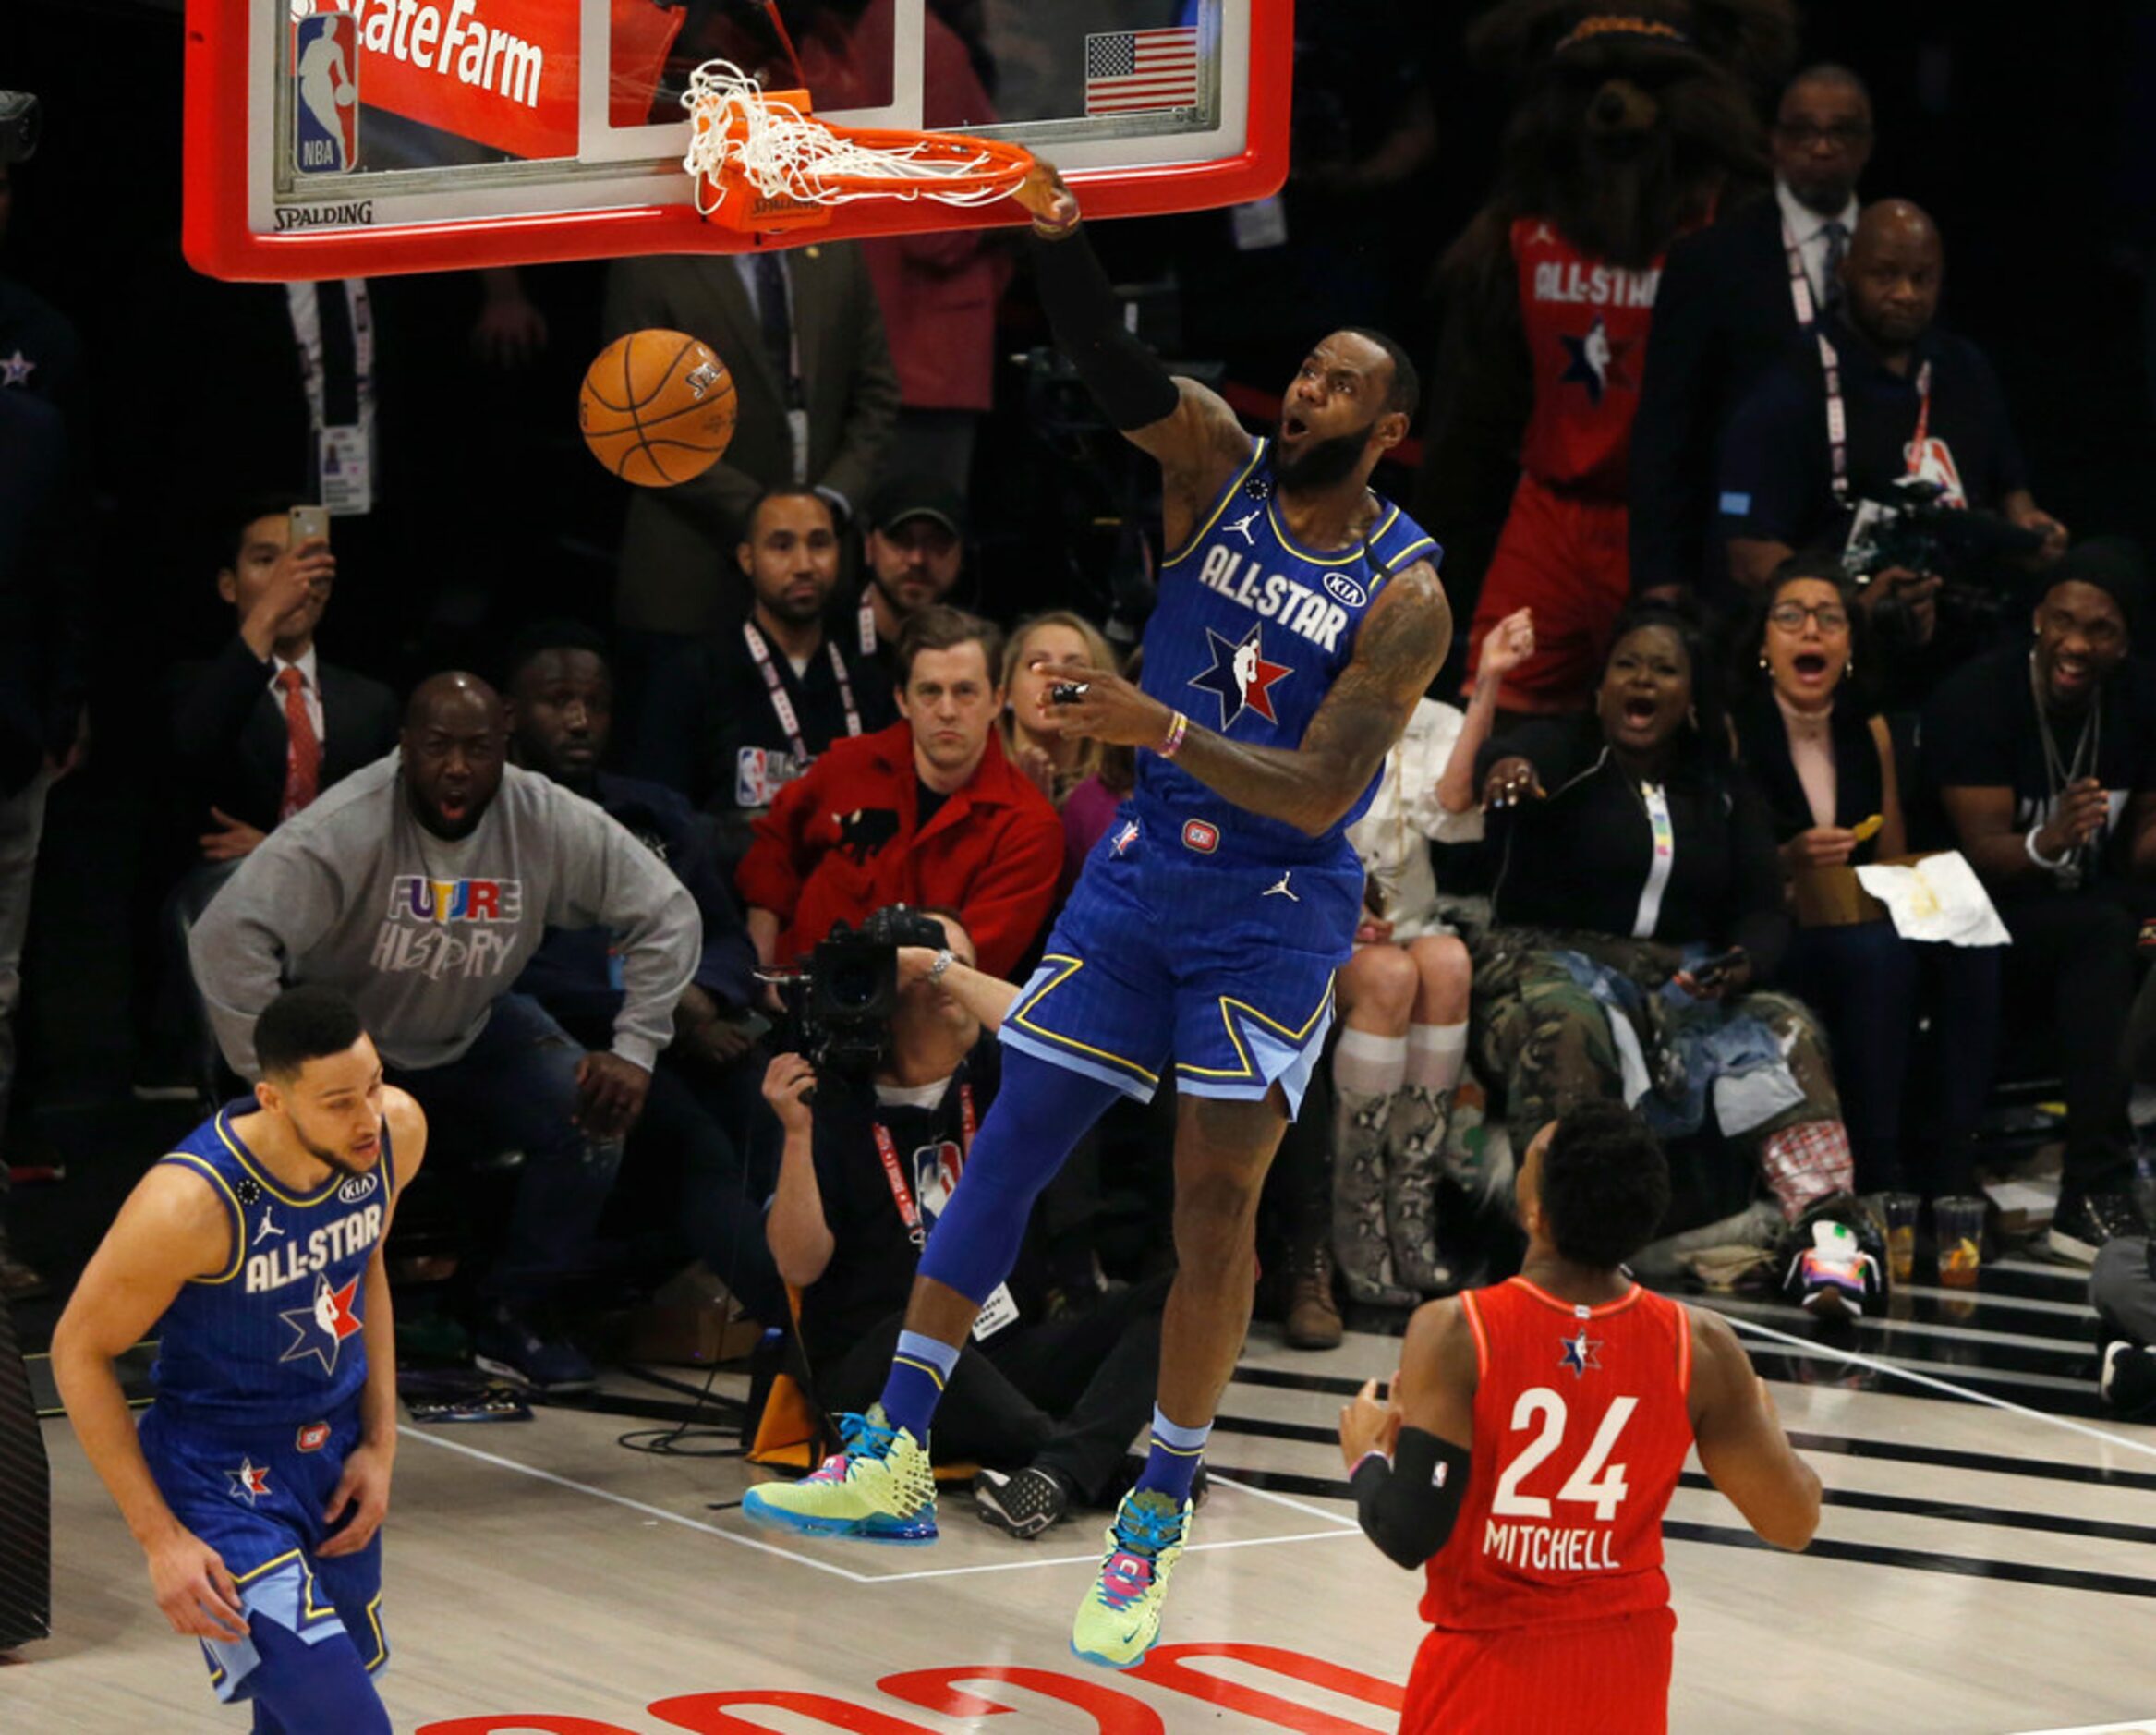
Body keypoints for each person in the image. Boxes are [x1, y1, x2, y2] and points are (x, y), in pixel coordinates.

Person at [739, 160, 1453, 1671]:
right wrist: (1059, 243)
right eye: (1306, 372)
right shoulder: (1213, 461)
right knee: (1007, 1141)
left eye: (1340, 388)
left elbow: (1325, 790)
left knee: (1210, 1210)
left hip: (1269, 907)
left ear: (1385, 432)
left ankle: (1153, 1511)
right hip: (1142, 874)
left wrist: (1156, 724)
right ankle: (891, 1445)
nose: (1307, 394)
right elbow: (1113, 366)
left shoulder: (1405, 594)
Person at [188, 673, 701, 1389]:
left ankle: (514, 1312)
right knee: (301, 1153)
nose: (457, 767)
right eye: (436, 748)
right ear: (405, 748)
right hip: (350, 1041)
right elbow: (224, 936)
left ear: (506, 747)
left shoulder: (544, 816)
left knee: (594, 1112)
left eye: (478, 749)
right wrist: (274, 1082)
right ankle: (301, 1323)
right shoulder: (348, 823)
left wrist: (636, 1048)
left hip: (474, 1025)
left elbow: (669, 913)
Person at [1338, 1101, 1819, 1735]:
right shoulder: (1700, 1346)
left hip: (1488, 1670)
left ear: (1535, 1211)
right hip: (1626, 1674)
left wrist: (1368, 1456)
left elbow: (1407, 1530)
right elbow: (1794, 1521)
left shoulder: (1456, 1331)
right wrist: (1769, 1428)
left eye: (1533, 1156)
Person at [1474, 601, 1873, 1314]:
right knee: (1568, 1024)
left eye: (1664, 669)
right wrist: (1507, 765)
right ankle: (1561, 1252)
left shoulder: (1723, 789)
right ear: (1601, 688)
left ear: (1691, 696)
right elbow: (1514, 757)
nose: (1643, 681)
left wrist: (1745, 962)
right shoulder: (1564, 754)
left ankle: (1827, 1241)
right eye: (1627, 665)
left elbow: (1761, 909)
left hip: (1676, 975)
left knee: (1788, 1026)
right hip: (1544, 960)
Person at [51, 987, 428, 1735]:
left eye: (374, 1084)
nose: (366, 1119)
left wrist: (381, 1445)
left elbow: (367, 1265)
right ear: (274, 1100)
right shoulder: (188, 1205)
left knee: (292, 1725)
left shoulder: (396, 1132)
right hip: (220, 1477)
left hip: (332, 1461)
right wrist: (159, 1538)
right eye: (338, 1102)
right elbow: (78, 1351)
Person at [759, 908, 1170, 1541]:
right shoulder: (831, 1101)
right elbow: (799, 1265)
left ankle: (1061, 1469)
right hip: (879, 1372)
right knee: (915, 1328)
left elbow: (1057, 1029)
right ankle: (1089, 1463)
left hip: (1003, 1347)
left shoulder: (995, 1076)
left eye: (964, 972)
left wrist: (934, 966)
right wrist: (794, 1135)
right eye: (931, 979)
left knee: (1180, 1290)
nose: (956, 988)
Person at [503, 623, 782, 1324]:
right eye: (557, 702)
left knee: (779, 1113)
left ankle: (851, 1309)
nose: (579, 720)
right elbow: (512, 971)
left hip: (692, 1025)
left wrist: (702, 996)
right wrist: (661, 1016)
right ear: (510, 717)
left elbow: (723, 932)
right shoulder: (496, 825)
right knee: (700, 1149)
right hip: (584, 1041)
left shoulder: (651, 808)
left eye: (594, 703)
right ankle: (805, 1330)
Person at [1718, 200, 2067, 700]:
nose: (1905, 294)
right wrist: (1848, 606)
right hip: (1839, 667)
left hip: (1967, 656)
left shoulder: (1964, 370)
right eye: (1885, 276)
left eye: (1922, 278)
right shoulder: (1789, 388)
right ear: (1845, 273)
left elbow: (2012, 492)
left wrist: (2033, 533)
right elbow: (1747, 551)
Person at [1730, 558, 1999, 1196]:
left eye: (1830, 618)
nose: (1811, 632)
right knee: (1880, 960)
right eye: (1791, 617)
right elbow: (1721, 870)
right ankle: (1877, 1174)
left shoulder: (1870, 727)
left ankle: (1953, 1168)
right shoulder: (1735, 727)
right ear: (1765, 641)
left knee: (1975, 947)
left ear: (1850, 642)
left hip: (1859, 916)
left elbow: (1893, 857)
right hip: (1777, 925)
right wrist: (1788, 857)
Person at [1924, 542, 2156, 1260]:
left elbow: (2143, 837)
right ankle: (2093, 1185)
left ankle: (2098, 1184)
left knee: (2122, 929)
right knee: (2104, 933)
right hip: (1970, 909)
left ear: (2124, 643)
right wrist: (2051, 838)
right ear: (2037, 619)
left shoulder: (2140, 701)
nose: (2077, 644)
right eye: (2063, 621)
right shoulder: (1979, 696)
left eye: (2101, 631)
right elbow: (1979, 847)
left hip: (2086, 910)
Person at [1329, 608, 1532, 1306]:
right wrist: (1341, 910)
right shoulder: (1313, 703)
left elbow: (1450, 804)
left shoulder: (1432, 717)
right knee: (1391, 975)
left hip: (1406, 924)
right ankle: (1354, 1209)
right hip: (1320, 923)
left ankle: (1408, 1199)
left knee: (1446, 961)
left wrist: (1489, 685)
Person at [1629, 65, 1876, 600]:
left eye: (1842, 131)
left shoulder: (1903, 256)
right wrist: (1660, 577)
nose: (1823, 146)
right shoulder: (1712, 261)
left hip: (1866, 564)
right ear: (1775, 143)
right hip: (1735, 560)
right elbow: (1665, 431)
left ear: (1868, 143)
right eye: (1804, 131)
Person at [735, 605, 1061, 983]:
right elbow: (772, 849)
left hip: (929, 1022)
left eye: (965, 692)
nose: (947, 710)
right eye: (929, 691)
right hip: (796, 1003)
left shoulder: (1029, 828)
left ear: (996, 699)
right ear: (902, 700)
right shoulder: (846, 767)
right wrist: (760, 973)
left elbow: (967, 974)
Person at [601, 242, 899, 655]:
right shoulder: (650, 261)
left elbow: (877, 399)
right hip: (691, 575)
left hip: (821, 588)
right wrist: (766, 514)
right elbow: (639, 423)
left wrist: (833, 499)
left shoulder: (837, 252)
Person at [632, 487, 894, 862]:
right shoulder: (694, 675)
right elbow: (657, 821)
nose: (804, 564)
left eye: (819, 543)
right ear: (747, 558)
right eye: (782, 546)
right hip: (728, 903)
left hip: (848, 900)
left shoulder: (868, 681)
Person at [856, 473, 971, 680]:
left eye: (937, 543)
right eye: (901, 540)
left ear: (961, 554)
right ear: (869, 547)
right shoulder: (823, 640)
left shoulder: (979, 650)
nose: (918, 559)